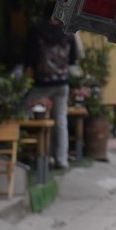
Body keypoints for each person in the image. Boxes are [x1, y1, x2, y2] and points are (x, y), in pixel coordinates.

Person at [24, 10, 79, 169]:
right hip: (62, 83)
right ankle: (62, 159)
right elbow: (73, 58)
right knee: (61, 121)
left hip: (42, 83)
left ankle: (29, 151)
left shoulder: (37, 31)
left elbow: (30, 57)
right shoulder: (69, 31)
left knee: (23, 111)